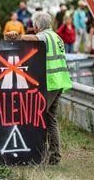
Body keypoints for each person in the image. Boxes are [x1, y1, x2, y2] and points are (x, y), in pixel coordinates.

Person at [5, 11, 72, 165]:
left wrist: (19, 36)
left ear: (37, 26)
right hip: (59, 82)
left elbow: (34, 38)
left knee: (36, 116)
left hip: (51, 82)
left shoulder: (45, 36)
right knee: (50, 119)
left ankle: (35, 155)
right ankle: (54, 157)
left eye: (33, 25)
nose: (33, 28)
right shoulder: (56, 37)